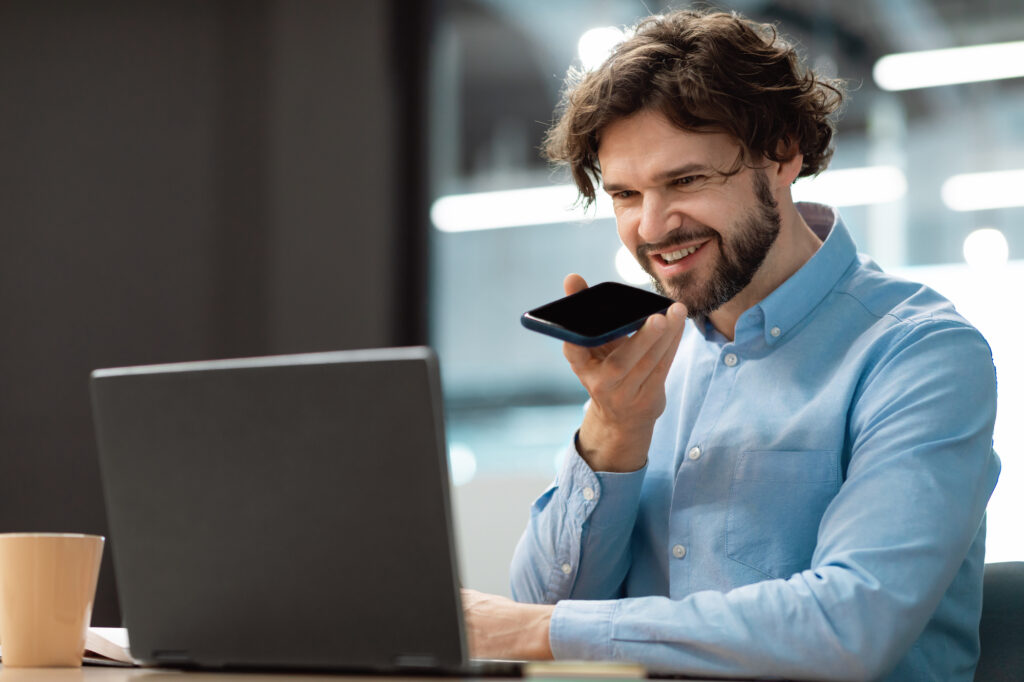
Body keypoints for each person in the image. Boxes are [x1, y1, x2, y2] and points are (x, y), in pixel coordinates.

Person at [461, 9, 1001, 681]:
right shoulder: (649, 356)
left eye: (685, 181)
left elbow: (850, 629)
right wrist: (613, 434)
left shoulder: (919, 355)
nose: (651, 228)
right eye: (626, 194)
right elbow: (539, 614)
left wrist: (545, 630)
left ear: (780, 154)